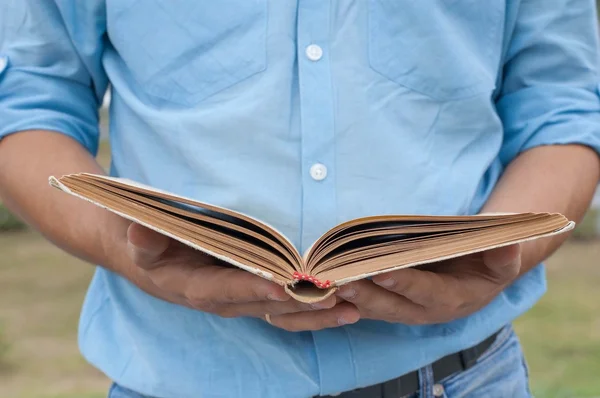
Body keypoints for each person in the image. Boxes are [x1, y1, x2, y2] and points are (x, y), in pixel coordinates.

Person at [1, 1, 599, 397]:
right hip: (176, 377)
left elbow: (562, 105)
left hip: (462, 376)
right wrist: (129, 250)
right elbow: (27, 105)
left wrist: (502, 253)